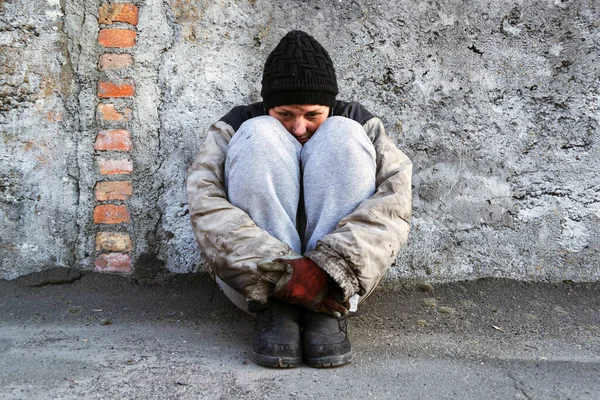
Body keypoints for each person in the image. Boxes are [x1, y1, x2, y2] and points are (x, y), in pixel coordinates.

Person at [187, 30, 412, 368]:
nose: (298, 127)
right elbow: (205, 203)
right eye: (285, 114)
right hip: (255, 283)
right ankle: (278, 310)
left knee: (343, 134)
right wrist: (278, 274)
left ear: (329, 104)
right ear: (268, 104)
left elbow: (393, 203)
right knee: (259, 134)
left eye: (312, 115)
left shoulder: (358, 122)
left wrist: (332, 271)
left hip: (343, 282)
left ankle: (327, 307)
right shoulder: (238, 125)